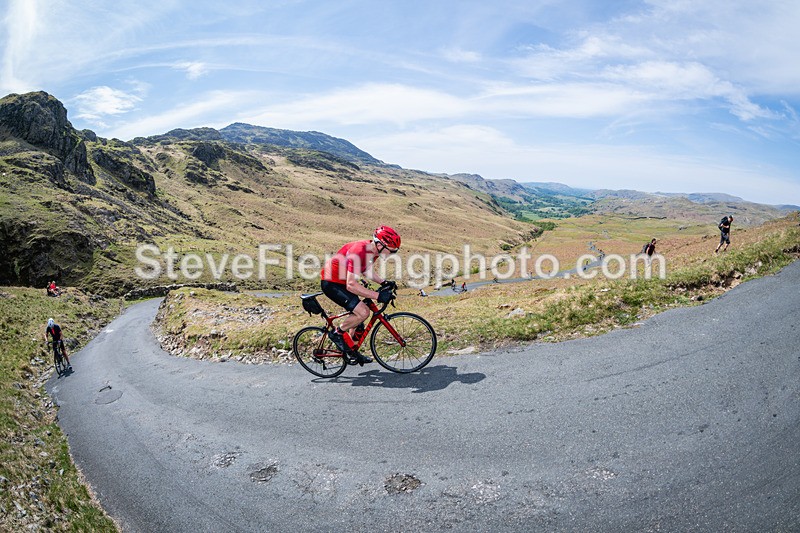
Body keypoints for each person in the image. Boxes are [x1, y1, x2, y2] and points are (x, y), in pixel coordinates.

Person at [320, 226, 400, 366]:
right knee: (363, 312)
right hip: (332, 283)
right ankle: (337, 333)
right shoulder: (359, 251)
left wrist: (384, 282)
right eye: (391, 250)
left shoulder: (373, 251)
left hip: (343, 281)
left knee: (359, 321)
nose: (392, 253)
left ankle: (351, 351)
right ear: (380, 244)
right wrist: (378, 296)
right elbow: (351, 285)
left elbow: (366, 270)